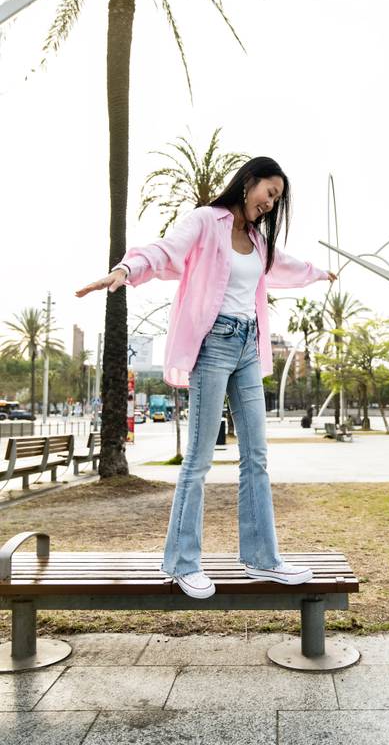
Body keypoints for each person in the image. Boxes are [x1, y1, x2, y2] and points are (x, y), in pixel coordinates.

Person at [76, 156, 336, 600]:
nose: (270, 204)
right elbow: (164, 251)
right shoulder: (205, 221)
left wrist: (319, 273)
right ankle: (182, 562)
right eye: (268, 193)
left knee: (256, 455)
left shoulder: (257, 240)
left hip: (249, 346)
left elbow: (284, 265)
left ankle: (262, 558)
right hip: (213, 344)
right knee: (198, 459)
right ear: (248, 182)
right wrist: (125, 270)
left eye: (277, 200)